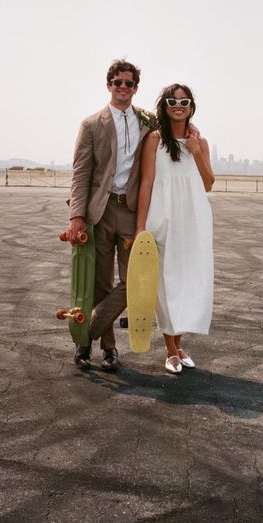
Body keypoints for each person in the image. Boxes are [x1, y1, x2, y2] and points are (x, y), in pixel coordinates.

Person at [68, 59, 156, 371]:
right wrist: (77, 216)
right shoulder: (92, 125)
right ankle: (107, 349)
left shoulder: (148, 122)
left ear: (135, 88)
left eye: (129, 83)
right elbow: (81, 174)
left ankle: (85, 331)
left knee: (136, 280)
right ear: (109, 85)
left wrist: (193, 130)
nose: (123, 87)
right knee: (102, 283)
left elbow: (174, 134)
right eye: (117, 82)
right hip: (101, 212)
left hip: (133, 211)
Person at [136, 84, 214, 374]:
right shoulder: (155, 140)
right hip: (163, 217)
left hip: (193, 220)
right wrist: (141, 227)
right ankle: (170, 350)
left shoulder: (199, 142)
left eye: (184, 101)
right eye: (172, 100)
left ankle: (178, 346)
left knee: (189, 283)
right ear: (165, 106)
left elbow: (208, 183)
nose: (178, 105)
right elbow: (146, 183)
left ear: (191, 106)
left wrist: (195, 151)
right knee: (166, 285)